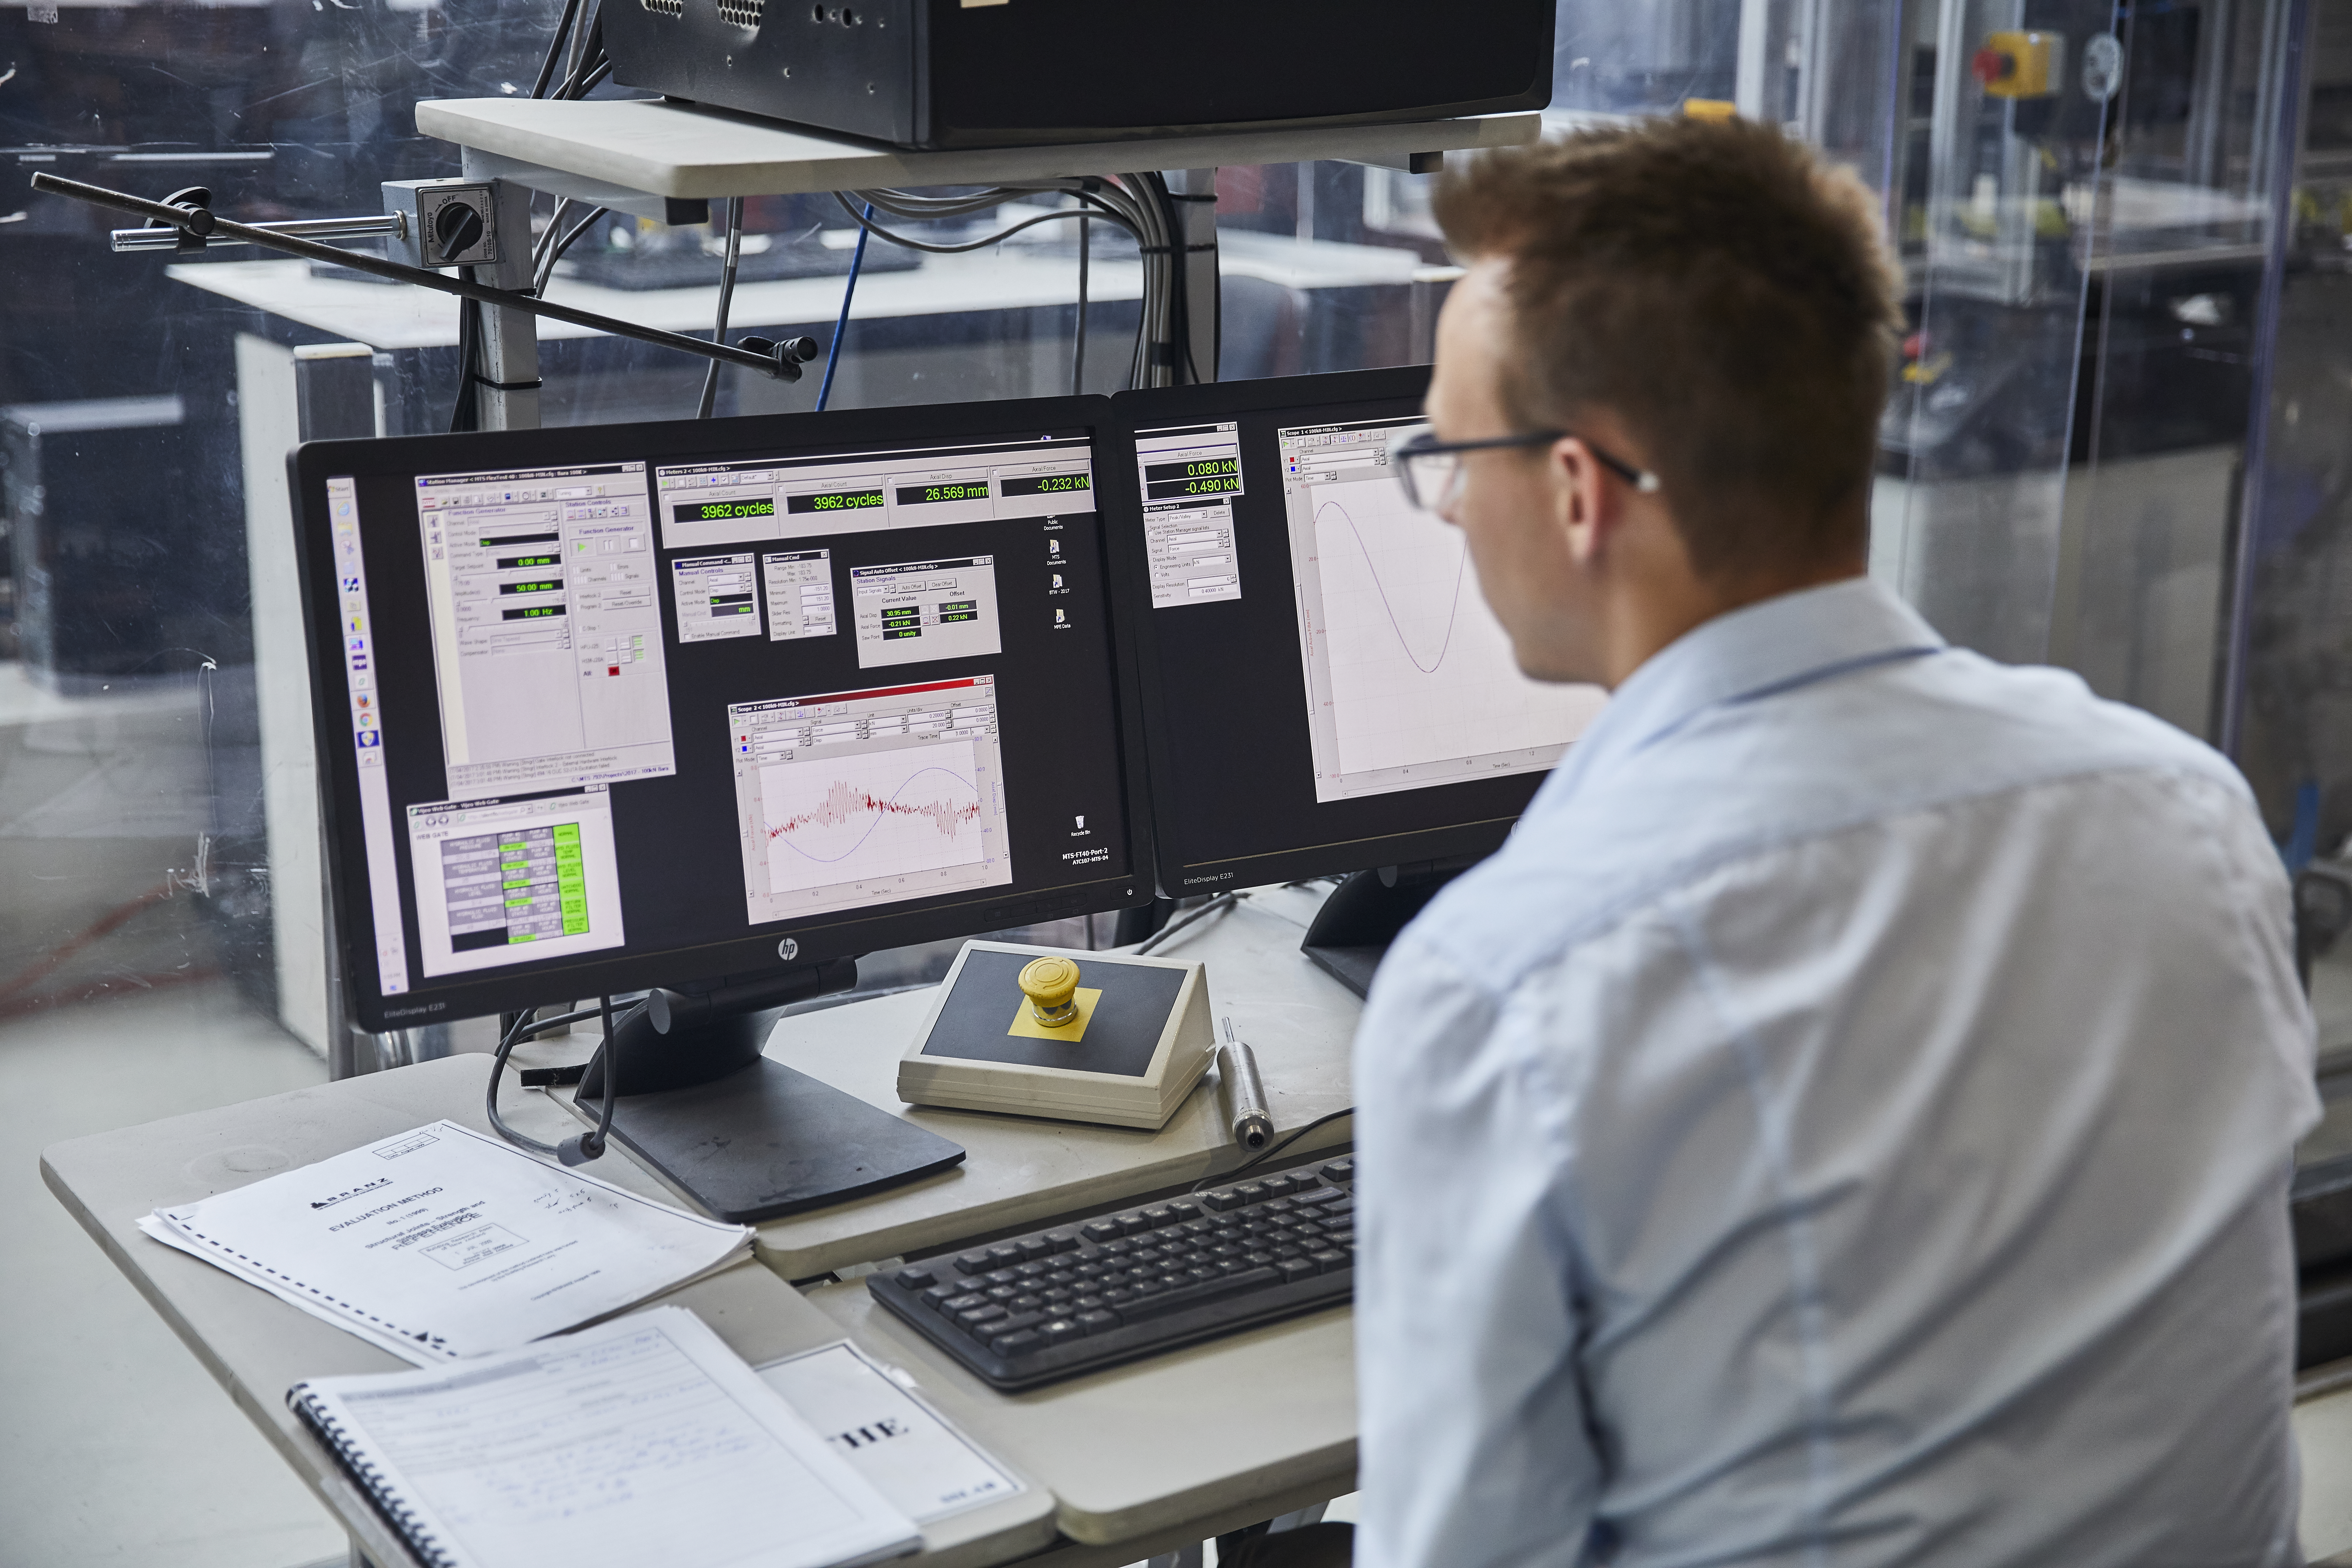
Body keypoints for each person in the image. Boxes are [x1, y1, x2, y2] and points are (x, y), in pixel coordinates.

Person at [1341, 117, 2324, 1567]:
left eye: (1448, 449)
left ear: (1575, 490)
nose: (1443, 502)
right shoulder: (2187, 814)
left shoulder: (1513, 982)